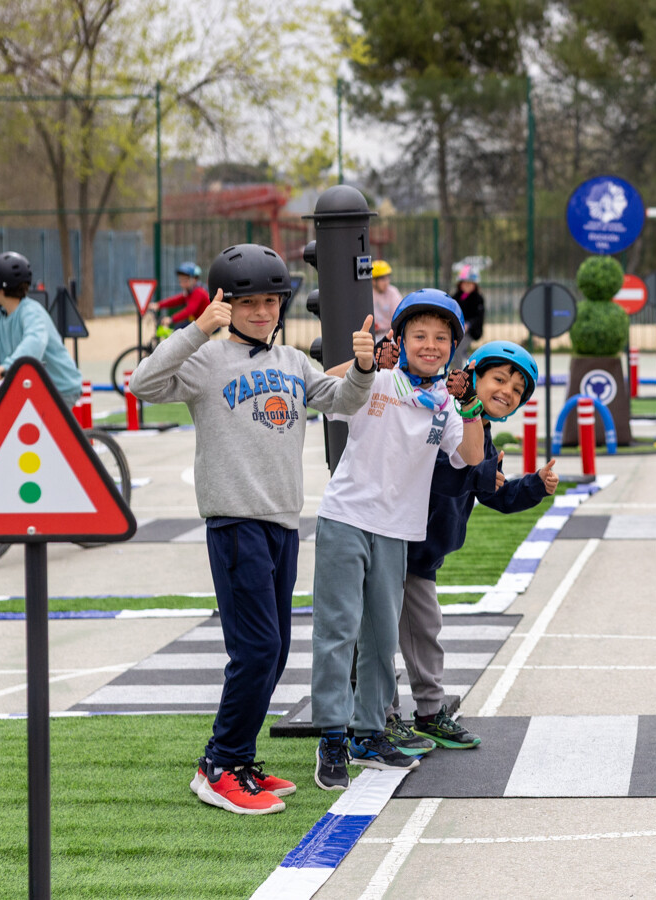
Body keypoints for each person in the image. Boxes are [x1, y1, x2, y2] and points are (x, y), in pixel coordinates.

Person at [129, 243, 377, 815]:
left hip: (282, 524)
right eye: (248, 303)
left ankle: (237, 759)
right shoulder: (205, 361)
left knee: (276, 648)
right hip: (234, 521)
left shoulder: (292, 363)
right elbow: (142, 384)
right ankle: (218, 764)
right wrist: (197, 329)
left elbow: (343, 402)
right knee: (257, 648)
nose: (262, 311)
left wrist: (363, 368)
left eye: (270, 301)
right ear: (225, 304)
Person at [310, 290, 485, 791]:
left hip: (396, 530)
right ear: (400, 340)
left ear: (453, 347)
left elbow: (472, 456)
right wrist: (364, 362)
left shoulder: (446, 404)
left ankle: (369, 734)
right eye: (419, 336)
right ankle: (332, 738)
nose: (429, 346)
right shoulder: (378, 380)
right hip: (346, 518)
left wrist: (470, 404)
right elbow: (321, 389)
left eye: (440, 338)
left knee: (382, 638)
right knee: (338, 631)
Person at [389, 341, 557, 752]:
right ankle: (381, 718)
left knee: (425, 633)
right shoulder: (439, 414)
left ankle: (429, 713)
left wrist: (534, 484)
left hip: (424, 556)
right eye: (499, 379)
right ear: (472, 377)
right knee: (375, 638)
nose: (507, 391)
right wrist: (480, 474)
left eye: (517, 389)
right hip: (391, 546)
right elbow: (443, 474)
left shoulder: (483, 435)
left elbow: (495, 494)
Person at [0, 252, 82, 408]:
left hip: (59, 389)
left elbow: (34, 342)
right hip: (32, 387)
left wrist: (6, 366)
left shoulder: (31, 312)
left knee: (8, 415)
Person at [157, 262, 211, 328]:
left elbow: (190, 310)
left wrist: (171, 319)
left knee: (180, 328)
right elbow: (176, 300)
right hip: (200, 321)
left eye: (185, 280)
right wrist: (159, 305)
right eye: (180, 280)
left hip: (208, 322)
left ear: (194, 279)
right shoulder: (190, 291)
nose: (182, 283)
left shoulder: (198, 291)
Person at [453, 264, 486, 362]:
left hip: (471, 332)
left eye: (470, 283)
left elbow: (478, 317)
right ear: (460, 284)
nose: (467, 285)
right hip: (457, 330)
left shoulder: (477, 298)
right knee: (452, 349)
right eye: (465, 283)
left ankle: (457, 373)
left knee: (457, 350)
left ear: (475, 285)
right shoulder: (456, 297)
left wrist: (468, 324)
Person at [370, 260, 400, 336]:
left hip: (390, 334)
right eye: (382, 279)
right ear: (374, 280)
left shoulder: (393, 292)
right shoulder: (369, 294)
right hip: (373, 334)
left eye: (387, 278)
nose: (386, 282)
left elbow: (398, 316)